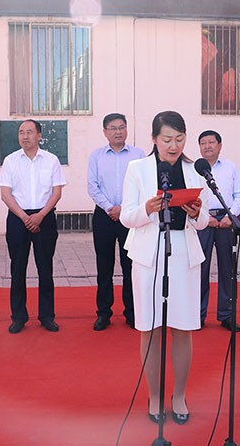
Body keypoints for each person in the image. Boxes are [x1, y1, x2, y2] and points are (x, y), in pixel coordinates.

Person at [120, 110, 209, 425]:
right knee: (151, 328)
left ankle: (179, 395)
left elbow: (203, 221)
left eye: (180, 139)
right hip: (148, 256)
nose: (174, 146)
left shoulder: (195, 170)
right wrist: (146, 208)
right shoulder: (137, 168)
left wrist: (196, 212)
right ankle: (155, 396)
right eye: (167, 139)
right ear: (154, 139)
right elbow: (126, 216)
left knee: (183, 327)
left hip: (184, 254)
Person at [0, 119, 66, 334]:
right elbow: (5, 194)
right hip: (18, 218)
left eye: (29, 132)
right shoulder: (10, 161)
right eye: (21, 132)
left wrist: (40, 215)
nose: (24, 136)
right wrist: (25, 217)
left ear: (39, 135)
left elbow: (56, 192)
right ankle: (18, 316)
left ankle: (47, 316)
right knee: (17, 269)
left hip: (44, 218)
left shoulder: (51, 160)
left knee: (45, 269)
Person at [87, 113, 145, 331]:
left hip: (130, 215)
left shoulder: (138, 155)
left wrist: (123, 209)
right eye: (113, 128)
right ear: (105, 132)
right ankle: (103, 313)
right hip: (105, 215)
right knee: (104, 266)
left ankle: (132, 313)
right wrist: (110, 208)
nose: (118, 132)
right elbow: (92, 185)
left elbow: (143, 185)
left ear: (127, 129)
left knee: (130, 265)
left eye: (121, 127)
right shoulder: (96, 156)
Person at [197, 130, 240, 332]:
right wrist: (203, 217)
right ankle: (198, 315)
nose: (207, 146)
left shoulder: (230, 167)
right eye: (203, 143)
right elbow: (191, 197)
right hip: (203, 221)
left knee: (228, 269)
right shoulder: (194, 169)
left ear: (219, 145)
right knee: (200, 269)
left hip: (226, 220)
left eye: (211, 142)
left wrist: (230, 216)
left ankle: (226, 315)